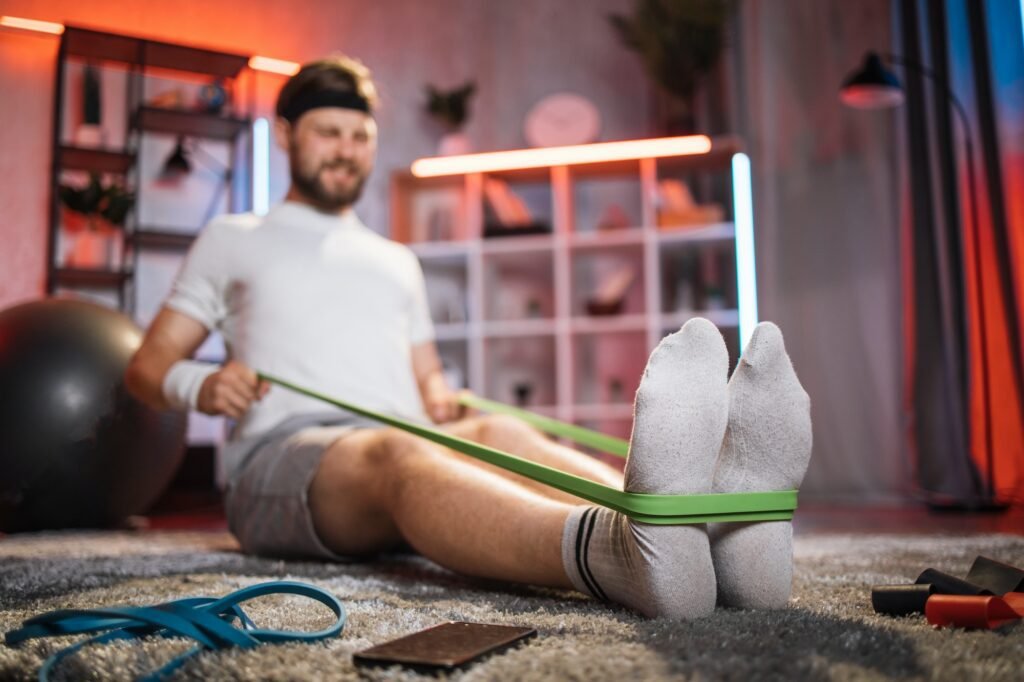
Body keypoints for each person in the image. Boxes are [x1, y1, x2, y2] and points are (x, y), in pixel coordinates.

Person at [125, 55, 812, 620]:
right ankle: (620, 554)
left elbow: (425, 383)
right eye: (328, 132)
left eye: (359, 136)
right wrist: (204, 383)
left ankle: (710, 532)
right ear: (285, 134)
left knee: (500, 433)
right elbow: (146, 368)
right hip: (282, 462)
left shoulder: (396, 261)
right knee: (394, 451)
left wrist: (444, 398)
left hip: (399, 429)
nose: (346, 150)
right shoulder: (234, 239)